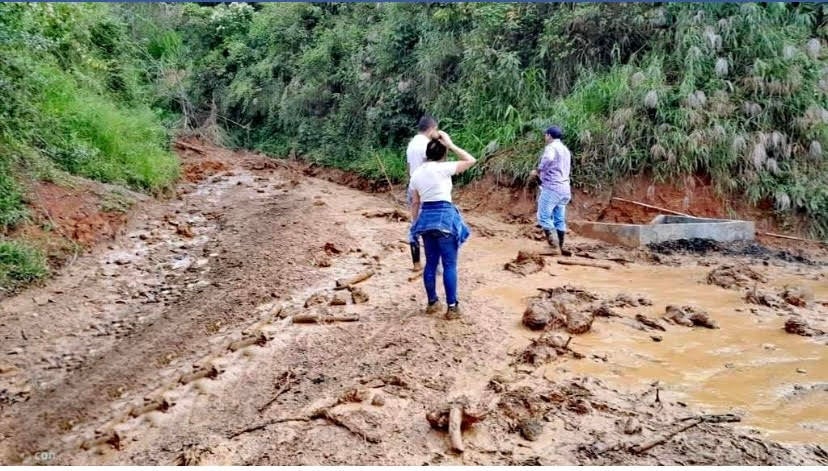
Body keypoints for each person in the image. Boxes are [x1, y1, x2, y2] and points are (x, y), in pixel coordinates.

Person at [409, 131, 477, 320]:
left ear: (426, 154)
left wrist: (415, 224)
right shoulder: (444, 168)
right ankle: (452, 307)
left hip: (426, 220)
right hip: (445, 219)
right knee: (449, 265)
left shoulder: (416, 174)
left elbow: (415, 202)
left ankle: (432, 303)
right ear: (443, 154)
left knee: (430, 263)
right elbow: (471, 160)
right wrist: (452, 145)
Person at [530, 125, 572, 257]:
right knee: (559, 218)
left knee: (543, 216)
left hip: (552, 187)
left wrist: (538, 170)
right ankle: (560, 246)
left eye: (545, 135)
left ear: (549, 135)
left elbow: (548, 159)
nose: (544, 137)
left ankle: (553, 247)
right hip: (565, 188)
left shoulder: (551, 147)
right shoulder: (565, 149)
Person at [406, 115, 439, 271]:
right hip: (426, 190)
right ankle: (435, 266)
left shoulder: (411, 144)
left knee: (415, 224)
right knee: (432, 226)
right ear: (432, 128)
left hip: (413, 186)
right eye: (436, 129)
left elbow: (409, 168)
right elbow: (434, 167)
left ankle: (416, 263)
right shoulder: (428, 145)